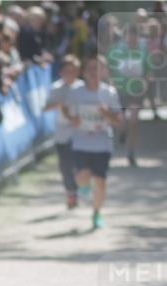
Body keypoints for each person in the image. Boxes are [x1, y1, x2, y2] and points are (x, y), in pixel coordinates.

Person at [66, 55, 121, 230]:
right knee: (81, 176)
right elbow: (68, 114)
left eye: (97, 68)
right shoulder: (76, 93)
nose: (93, 72)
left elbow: (118, 120)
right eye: (90, 68)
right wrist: (73, 120)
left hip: (102, 144)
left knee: (100, 182)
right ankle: (84, 186)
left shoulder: (109, 93)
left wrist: (106, 114)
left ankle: (96, 213)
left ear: (104, 72)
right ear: (84, 72)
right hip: (81, 143)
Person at [107, 22, 147, 166]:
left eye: (134, 35)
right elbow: (107, 67)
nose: (132, 38)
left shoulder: (143, 51)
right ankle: (122, 131)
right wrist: (110, 83)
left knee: (133, 120)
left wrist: (145, 84)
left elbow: (149, 71)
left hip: (136, 91)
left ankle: (131, 152)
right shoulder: (116, 50)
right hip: (119, 90)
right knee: (121, 121)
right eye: (129, 35)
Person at [45, 54, 82, 209]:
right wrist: (59, 104)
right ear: (61, 72)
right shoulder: (56, 88)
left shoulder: (82, 87)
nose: (70, 74)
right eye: (67, 71)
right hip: (62, 133)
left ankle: (80, 186)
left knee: (80, 165)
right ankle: (71, 193)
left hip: (79, 133)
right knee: (66, 166)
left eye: (73, 71)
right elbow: (46, 107)